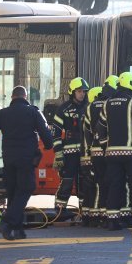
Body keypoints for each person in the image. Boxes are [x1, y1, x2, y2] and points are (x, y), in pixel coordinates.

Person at [0, 86, 53, 240]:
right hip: (26, 159)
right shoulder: (33, 112)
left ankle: (16, 230)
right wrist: (48, 145)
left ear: (12, 97)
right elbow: (46, 133)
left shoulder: (3, 114)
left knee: (13, 192)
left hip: (8, 158)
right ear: (25, 97)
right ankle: (7, 222)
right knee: (27, 187)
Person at [96, 72, 132, 231]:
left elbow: (100, 128)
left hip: (112, 154)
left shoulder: (107, 103)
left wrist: (104, 146)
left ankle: (113, 221)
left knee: (115, 186)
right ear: (131, 86)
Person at [52, 77, 89, 214]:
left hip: (85, 153)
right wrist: (58, 153)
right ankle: (60, 211)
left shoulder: (88, 108)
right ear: (72, 92)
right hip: (69, 153)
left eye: (84, 91)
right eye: (79, 91)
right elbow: (55, 133)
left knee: (84, 182)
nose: (82, 94)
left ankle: (84, 211)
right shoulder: (64, 109)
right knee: (67, 181)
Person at [79, 86, 103, 226]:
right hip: (93, 155)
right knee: (97, 186)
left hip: (85, 156)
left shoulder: (86, 112)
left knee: (88, 187)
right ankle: (94, 216)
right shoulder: (96, 112)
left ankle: (86, 215)